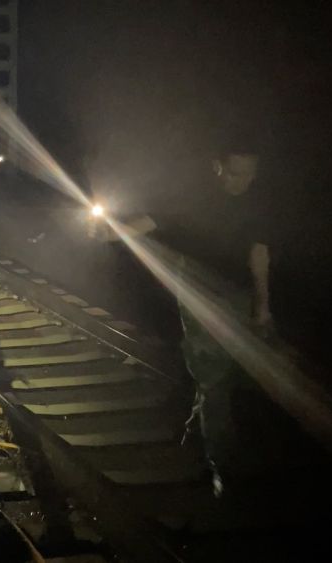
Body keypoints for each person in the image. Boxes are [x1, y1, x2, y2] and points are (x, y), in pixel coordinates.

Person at [98, 145, 275, 497]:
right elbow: (148, 221)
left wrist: (263, 304)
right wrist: (109, 230)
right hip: (198, 292)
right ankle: (221, 464)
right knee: (214, 377)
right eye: (235, 172)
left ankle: (195, 433)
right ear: (217, 166)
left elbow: (259, 254)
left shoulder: (256, 204)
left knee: (228, 371)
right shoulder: (193, 198)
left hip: (237, 294)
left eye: (250, 173)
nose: (242, 181)